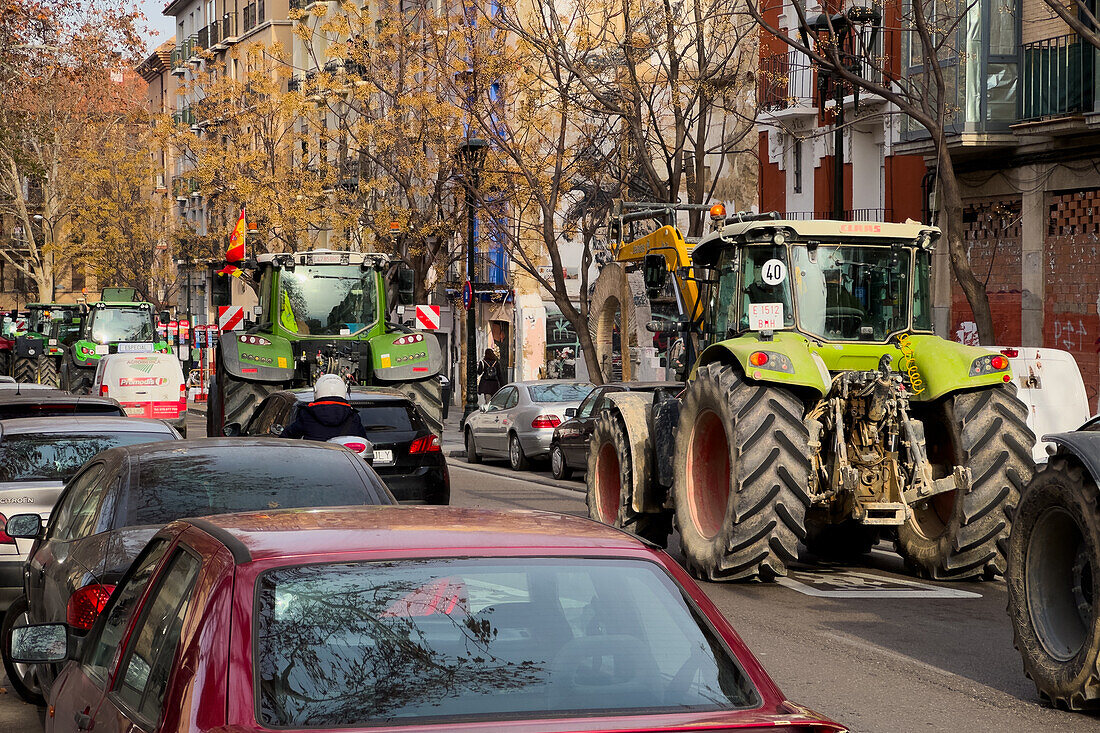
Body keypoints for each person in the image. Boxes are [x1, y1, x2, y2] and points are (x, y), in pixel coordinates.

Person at [283, 374, 367, 441]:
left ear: (316, 391)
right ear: (344, 391)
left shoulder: (307, 415)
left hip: (314, 460)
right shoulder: (353, 417)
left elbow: (286, 439)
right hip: (344, 461)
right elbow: (364, 442)